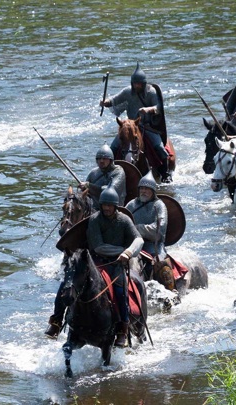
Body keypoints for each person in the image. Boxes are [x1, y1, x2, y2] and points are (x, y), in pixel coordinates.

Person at [87, 187, 144, 348]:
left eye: (109, 205)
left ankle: (123, 329)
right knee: (74, 286)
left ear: (115, 206)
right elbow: (98, 247)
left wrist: (129, 252)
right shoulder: (95, 220)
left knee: (120, 290)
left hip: (117, 264)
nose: (106, 208)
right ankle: (59, 321)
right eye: (104, 205)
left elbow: (138, 240)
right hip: (97, 263)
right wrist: (122, 250)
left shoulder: (124, 220)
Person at [100, 63, 172, 183]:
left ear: (144, 84)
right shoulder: (128, 92)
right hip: (130, 126)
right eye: (134, 83)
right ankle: (108, 173)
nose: (137, 85)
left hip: (147, 127)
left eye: (139, 83)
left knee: (159, 147)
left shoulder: (151, 92)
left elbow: (159, 107)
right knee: (113, 147)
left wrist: (148, 109)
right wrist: (105, 102)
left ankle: (165, 174)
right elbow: (114, 100)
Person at [125, 172, 168, 284]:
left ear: (153, 191)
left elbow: (159, 229)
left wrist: (136, 228)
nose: (143, 191)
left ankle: (172, 293)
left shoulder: (159, 205)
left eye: (147, 189)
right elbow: (122, 222)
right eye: (142, 188)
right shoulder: (131, 204)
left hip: (153, 246)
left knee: (162, 268)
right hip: (133, 244)